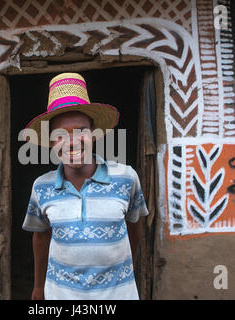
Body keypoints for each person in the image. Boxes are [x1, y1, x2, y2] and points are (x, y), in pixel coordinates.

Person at [22, 72, 149, 300]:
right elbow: (41, 237)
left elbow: (134, 229)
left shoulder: (127, 178)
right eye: (61, 135)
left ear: (94, 134)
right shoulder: (41, 188)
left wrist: (126, 271)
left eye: (81, 131)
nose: (72, 141)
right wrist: (39, 287)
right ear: (52, 142)